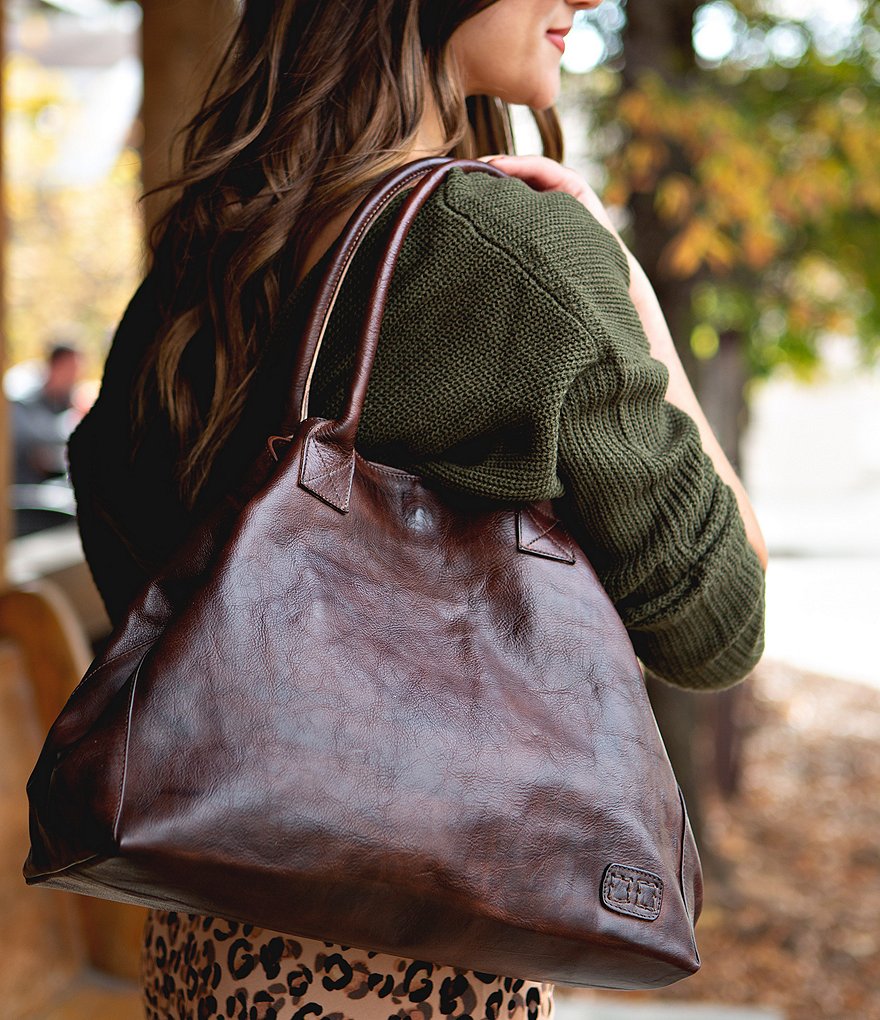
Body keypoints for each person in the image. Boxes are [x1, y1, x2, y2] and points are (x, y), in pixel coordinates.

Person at [65, 0, 767, 1017]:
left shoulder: (210, 245)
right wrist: (634, 302)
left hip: (203, 935)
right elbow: (718, 627)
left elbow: (122, 539)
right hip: (426, 961)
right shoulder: (520, 254)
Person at [11, 342, 83, 485]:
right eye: (70, 369)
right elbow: (33, 443)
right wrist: (71, 421)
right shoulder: (25, 398)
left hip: (57, 485)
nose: (74, 377)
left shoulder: (67, 401)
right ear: (55, 365)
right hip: (24, 487)